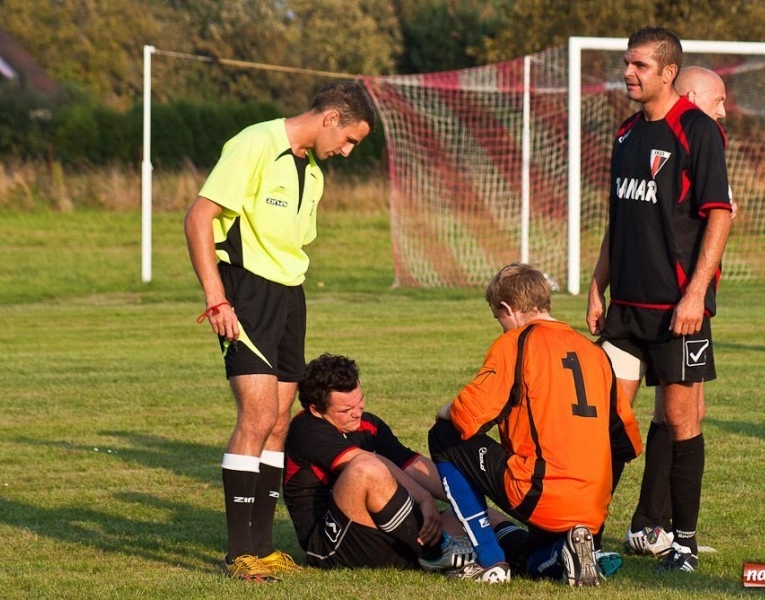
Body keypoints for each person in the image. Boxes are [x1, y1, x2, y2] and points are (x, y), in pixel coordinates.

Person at [184, 81, 376, 581]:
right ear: (330, 118)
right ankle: (237, 554)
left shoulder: (312, 173)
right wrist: (216, 297)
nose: (348, 152)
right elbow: (199, 217)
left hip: (291, 296)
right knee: (258, 415)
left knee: (278, 423)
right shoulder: (255, 143)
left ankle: (263, 548)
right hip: (245, 292)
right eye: (349, 139)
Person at [586, 28, 733, 573]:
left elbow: (719, 215)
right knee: (607, 422)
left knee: (680, 419)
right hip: (626, 310)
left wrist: (695, 295)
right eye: (627, 63)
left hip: (678, 312)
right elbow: (618, 219)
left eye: (640, 65)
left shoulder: (698, 131)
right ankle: (585, 533)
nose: (628, 73)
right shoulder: (626, 133)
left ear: (668, 72)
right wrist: (598, 285)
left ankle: (683, 544)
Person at [429, 263, 642, 585]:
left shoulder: (516, 342)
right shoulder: (594, 353)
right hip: (590, 509)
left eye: (498, 318)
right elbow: (626, 443)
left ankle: (490, 561)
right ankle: (573, 549)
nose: (501, 327)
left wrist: (444, 410)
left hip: (540, 493)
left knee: (444, 435)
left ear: (507, 308)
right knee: (528, 559)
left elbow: (467, 415)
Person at [282, 353, 523, 572]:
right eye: (346, 410)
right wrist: (424, 498)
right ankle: (438, 550)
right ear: (316, 410)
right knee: (366, 468)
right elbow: (368, 465)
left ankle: (534, 556)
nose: (357, 412)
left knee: (483, 517)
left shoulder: (369, 424)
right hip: (334, 547)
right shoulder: (306, 429)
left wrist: (474, 494)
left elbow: (412, 465)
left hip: (392, 534)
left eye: (360, 401)